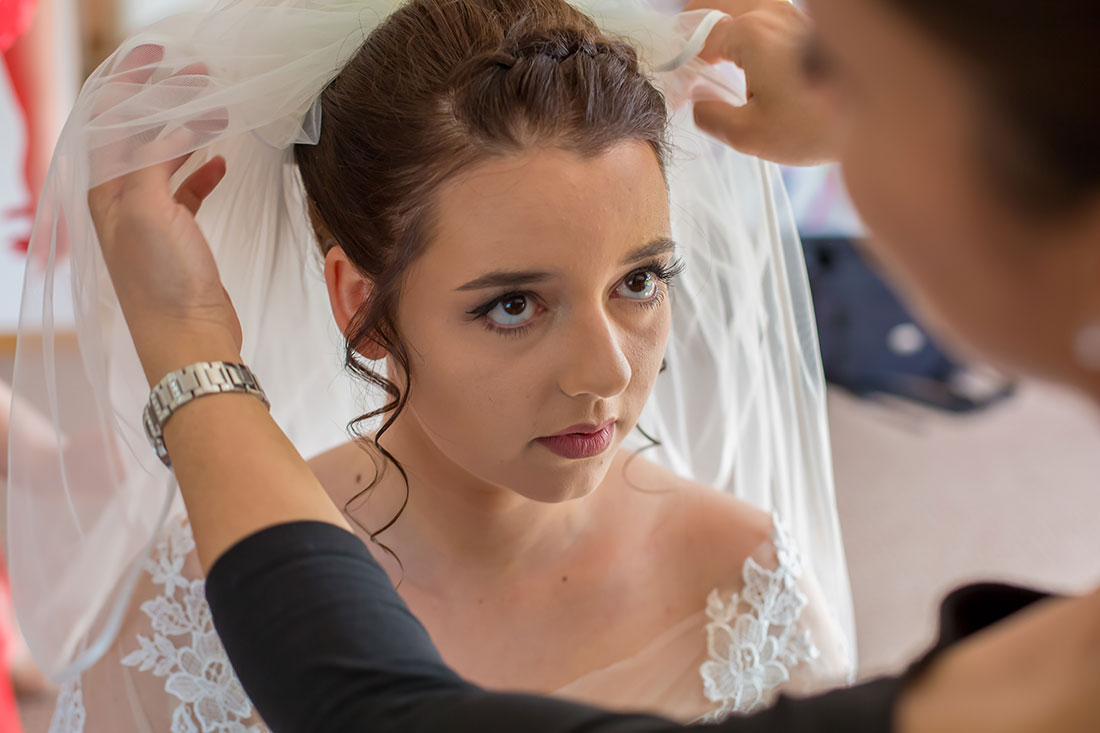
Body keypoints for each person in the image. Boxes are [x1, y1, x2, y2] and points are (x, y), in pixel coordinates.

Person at [9, 0, 860, 730]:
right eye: (514, 305)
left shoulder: (747, 587)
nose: (602, 373)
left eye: (639, 280)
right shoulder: (191, 609)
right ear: (361, 304)